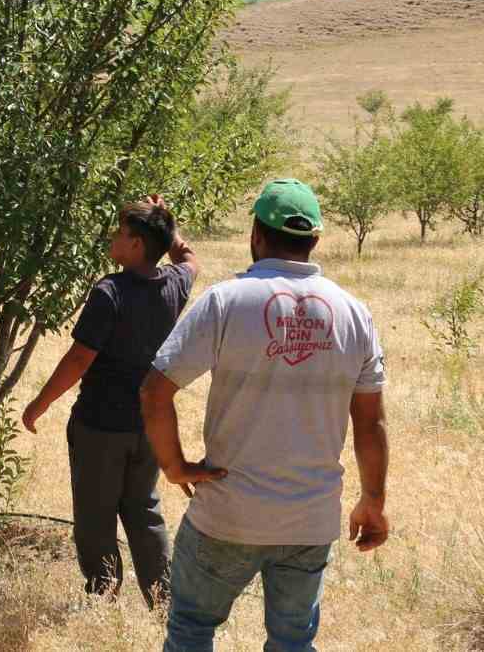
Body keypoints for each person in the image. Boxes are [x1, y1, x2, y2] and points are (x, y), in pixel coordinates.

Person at [141, 178, 390, 652]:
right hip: (310, 519)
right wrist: (372, 501)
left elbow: (155, 392)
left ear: (256, 234)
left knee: (192, 627)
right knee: (293, 642)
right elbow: (370, 422)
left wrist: (174, 467)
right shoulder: (354, 313)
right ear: (314, 239)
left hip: (228, 513)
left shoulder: (226, 301)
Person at [21, 197, 198, 606]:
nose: (113, 238)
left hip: (100, 425)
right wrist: (168, 228)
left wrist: (39, 404)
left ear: (136, 245)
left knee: (95, 515)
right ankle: (163, 598)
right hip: (148, 425)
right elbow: (190, 259)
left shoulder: (110, 291)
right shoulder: (174, 283)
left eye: (120, 233)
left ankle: (103, 595)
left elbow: (79, 358)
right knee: (143, 509)